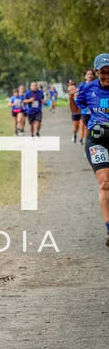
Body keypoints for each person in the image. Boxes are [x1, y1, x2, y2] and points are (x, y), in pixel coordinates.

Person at [69, 53, 109, 247]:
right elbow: (75, 109)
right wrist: (71, 96)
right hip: (97, 140)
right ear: (96, 72)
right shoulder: (88, 89)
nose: (106, 75)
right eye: (103, 72)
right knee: (105, 183)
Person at [78, 69, 95, 145]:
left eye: (91, 74)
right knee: (87, 127)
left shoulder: (96, 85)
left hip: (95, 110)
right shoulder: (82, 85)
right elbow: (76, 96)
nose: (90, 75)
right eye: (88, 74)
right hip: (85, 111)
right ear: (85, 76)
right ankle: (87, 143)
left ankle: (91, 142)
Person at [68, 78, 82, 143]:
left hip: (82, 112)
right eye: (69, 82)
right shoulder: (69, 93)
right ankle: (74, 135)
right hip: (75, 114)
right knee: (76, 128)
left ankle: (81, 140)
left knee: (82, 126)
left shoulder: (78, 91)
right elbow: (70, 105)